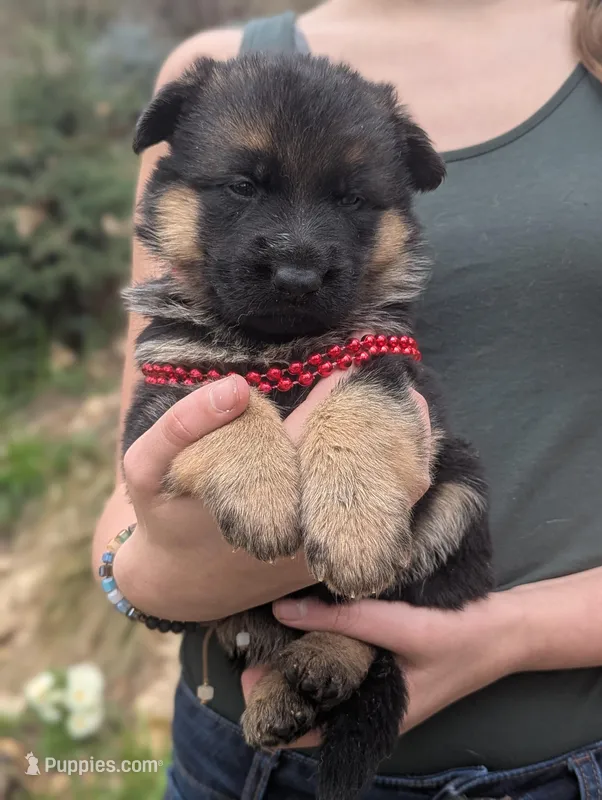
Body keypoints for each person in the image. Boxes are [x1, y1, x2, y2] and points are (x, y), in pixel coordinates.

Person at [94, 0, 602, 797]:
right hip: (234, 758)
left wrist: (508, 638)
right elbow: (131, 489)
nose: (298, 255)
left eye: (353, 202)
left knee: (435, 463)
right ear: (170, 182)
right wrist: (147, 573)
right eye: (241, 186)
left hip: (567, 764)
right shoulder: (220, 67)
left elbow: (392, 407)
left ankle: (342, 653)